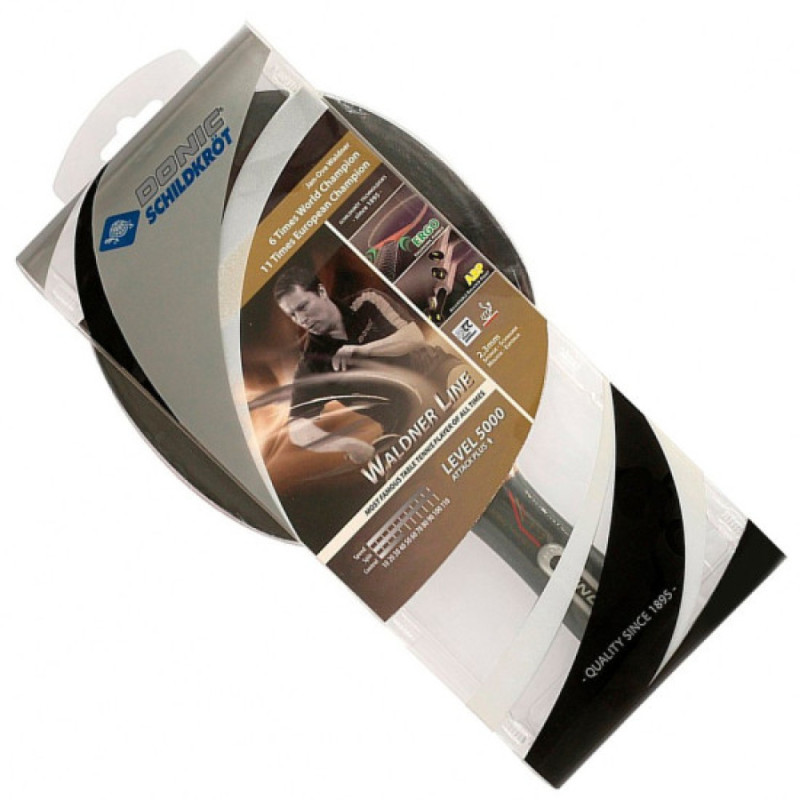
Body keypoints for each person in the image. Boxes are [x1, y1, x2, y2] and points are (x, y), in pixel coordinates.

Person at [273, 260, 462, 465]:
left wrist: (362, 350)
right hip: (405, 424)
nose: (301, 319)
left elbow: (414, 338)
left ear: (321, 291)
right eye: (292, 315)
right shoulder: (312, 364)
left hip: (438, 372)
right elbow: (297, 429)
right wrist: (348, 444)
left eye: (303, 307)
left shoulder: (367, 301)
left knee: (470, 382)